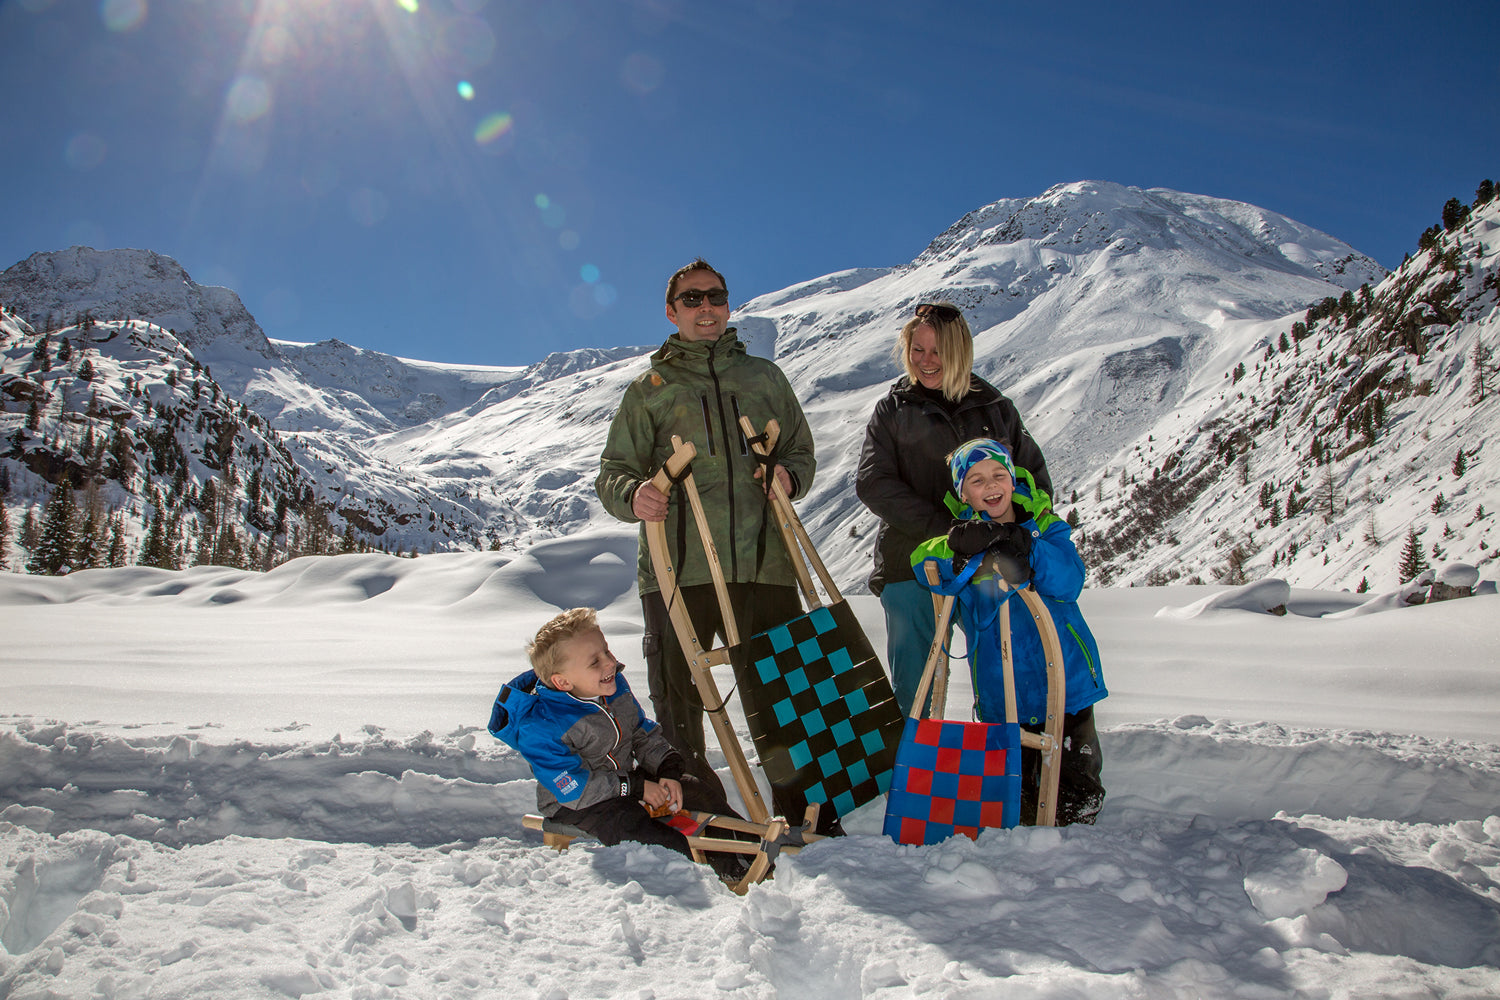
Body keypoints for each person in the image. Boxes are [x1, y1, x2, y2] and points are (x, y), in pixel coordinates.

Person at [594, 259, 833, 831]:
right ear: (672, 312)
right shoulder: (649, 391)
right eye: (692, 299)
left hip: (763, 561)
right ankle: (701, 817)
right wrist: (635, 495)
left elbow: (800, 451)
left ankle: (806, 817)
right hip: (679, 568)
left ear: (728, 306)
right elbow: (612, 472)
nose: (706, 307)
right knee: (678, 701)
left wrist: (789, 477)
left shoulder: (765, 379)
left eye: (716, 297)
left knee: (782, 692)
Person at [856, 301, 1053, 717]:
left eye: (938, 351)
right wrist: (950, 531)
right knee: (917, 681)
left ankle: (1010, 767)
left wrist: (1014, 532)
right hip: (912, 563)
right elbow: (873, 482)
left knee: (1009, 667)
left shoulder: (995, 409)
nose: (926, 362)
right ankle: (914, 774)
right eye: (917, 350)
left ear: (961, 351)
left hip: (989, 565)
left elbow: (1032, 479)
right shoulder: (894, 410)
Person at [910, 439, 1106, 825]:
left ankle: (1079, 832)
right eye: (977, 480)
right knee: (1016, 787)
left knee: (1075, 777)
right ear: (963, 493)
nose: (991, 485)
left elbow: (1069, 579)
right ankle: (1025, 833)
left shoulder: (1045, 526)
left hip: (1066, 675)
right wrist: (958, 547)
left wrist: (1026, 547)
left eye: (999, 474)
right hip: (1004, 684)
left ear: (1013, 479)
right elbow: (923, 563)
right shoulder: (962, 537)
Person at [487, 607, 750, 869]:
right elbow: (574, 788)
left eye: (607, 651)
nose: (610, 663)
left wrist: (666, 769)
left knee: (697, 792)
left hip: (625, 786)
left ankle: (749, 857)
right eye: (595, 661)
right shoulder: (541, 727)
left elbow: (639, 732)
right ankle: (693, 878)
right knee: (641, 829)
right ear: (563, 682)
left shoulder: (613, 688)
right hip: (577, 804)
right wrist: (635, 787)